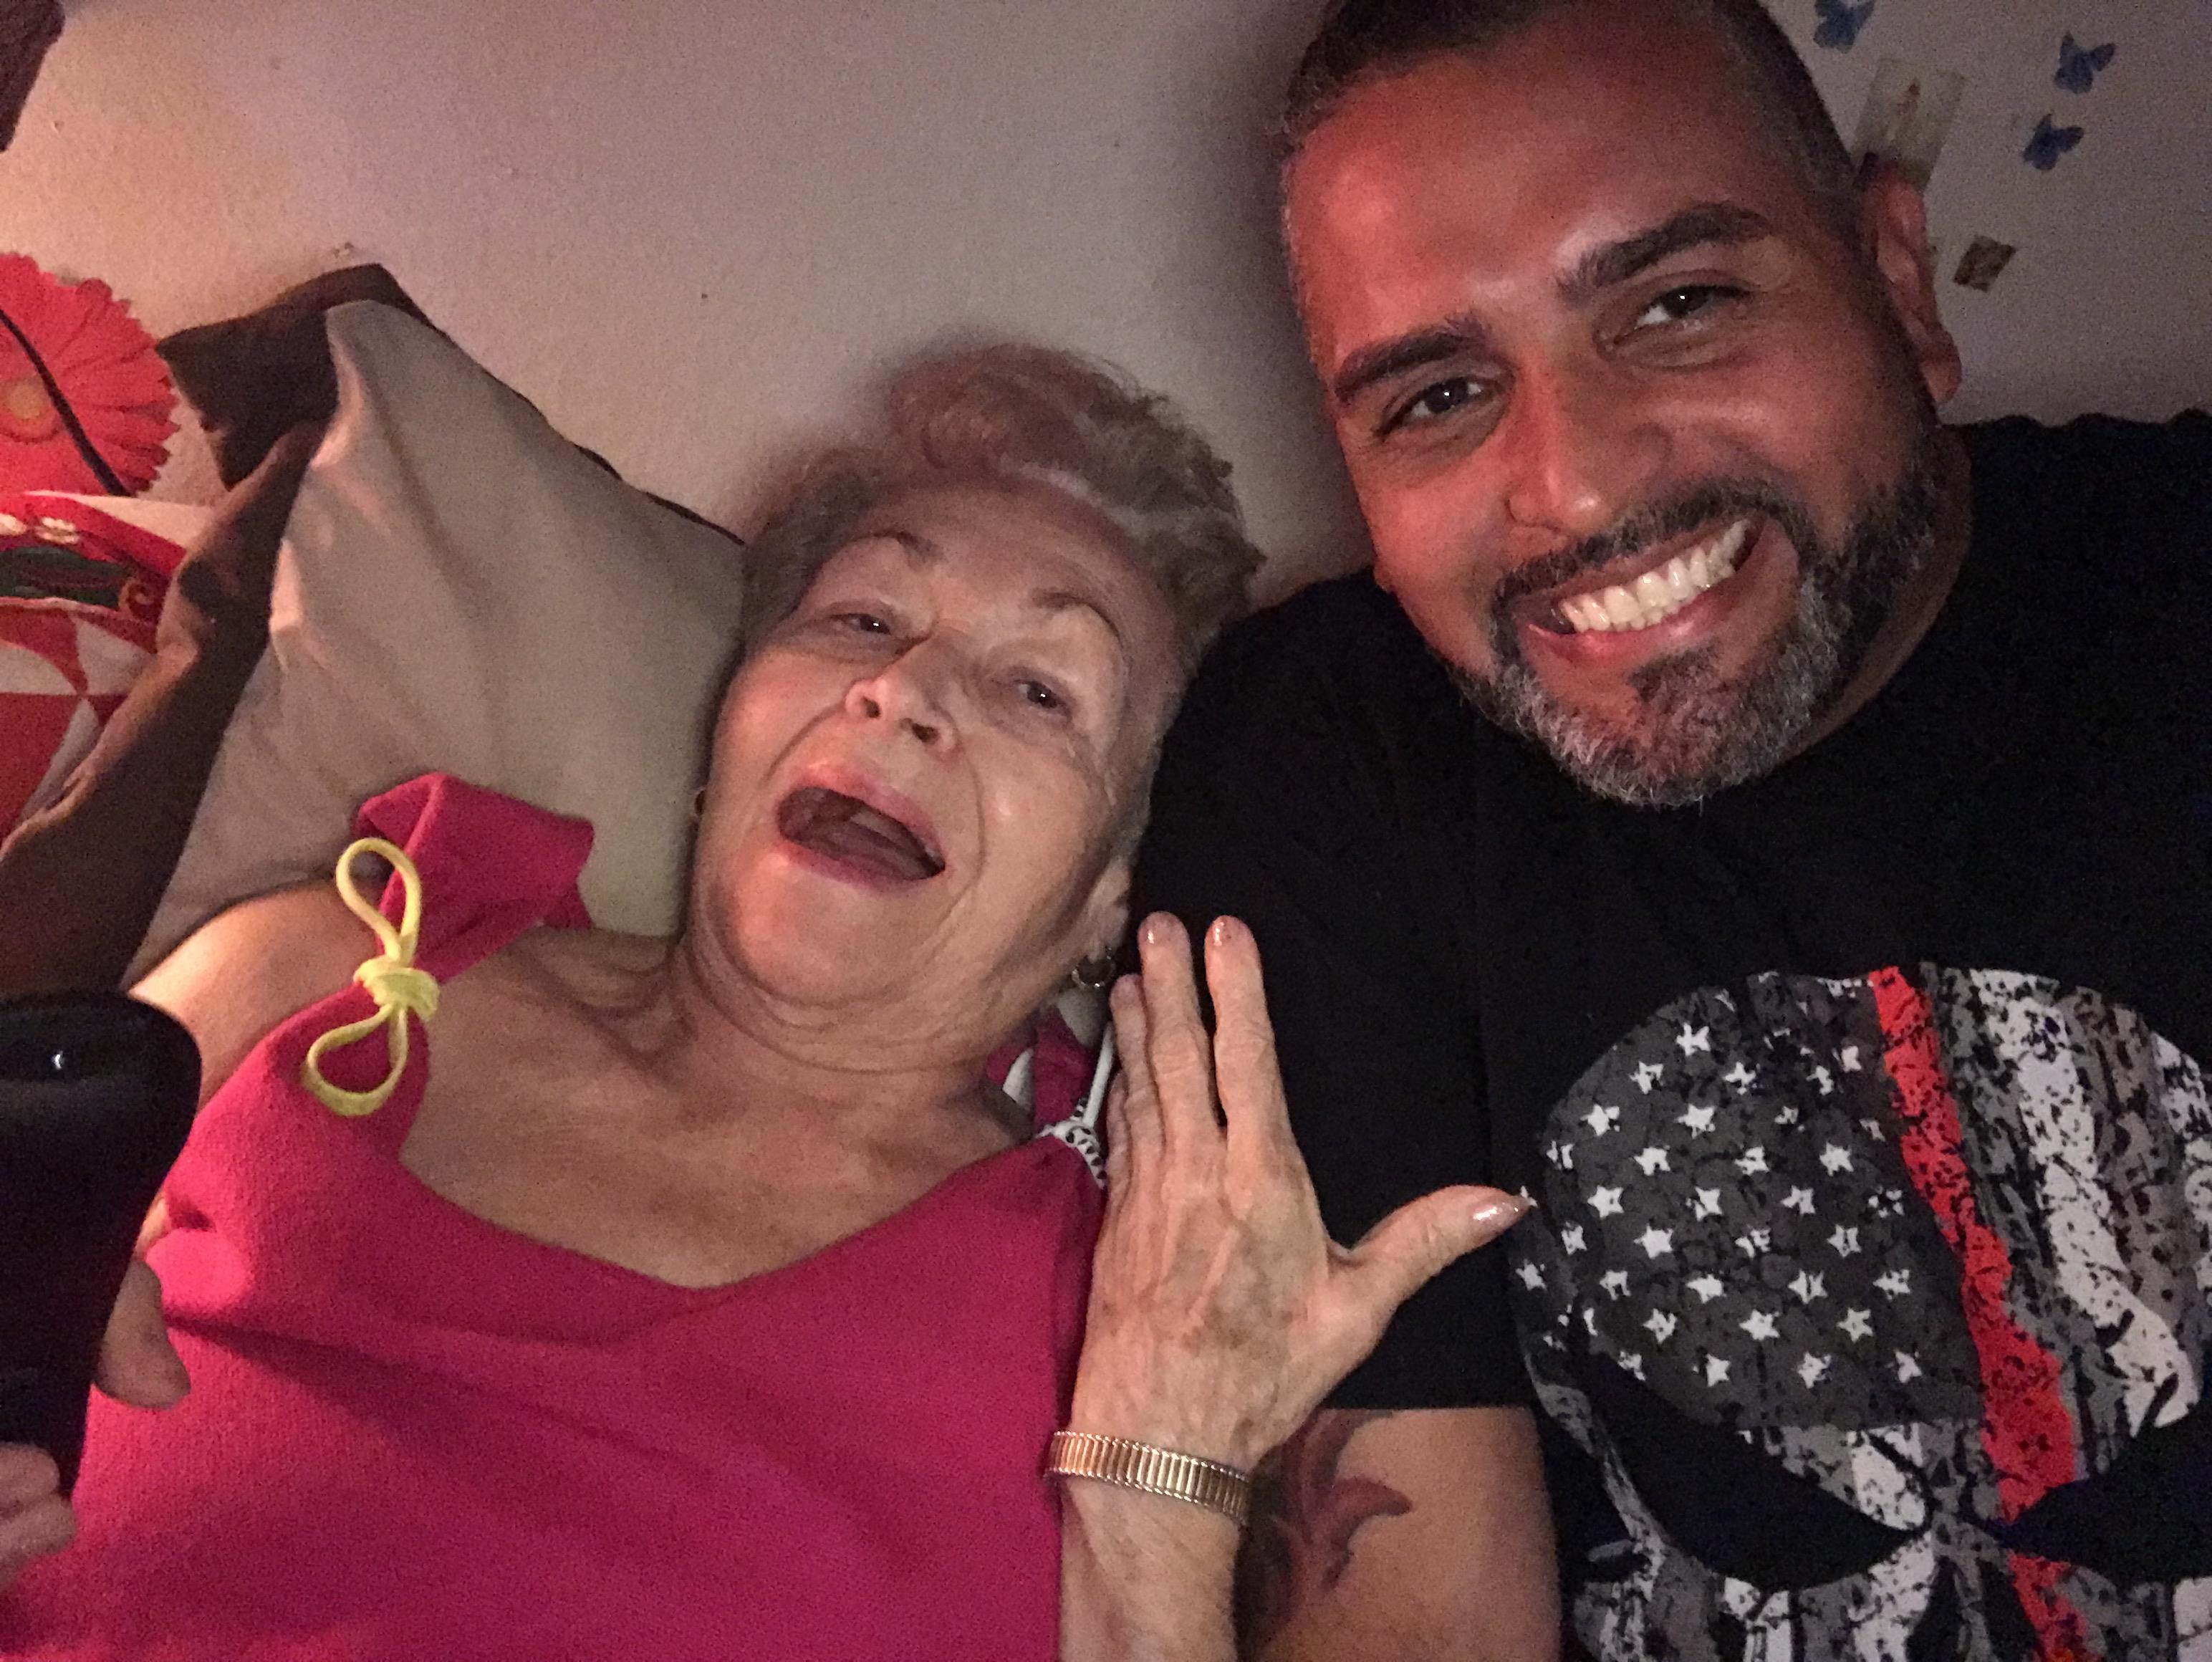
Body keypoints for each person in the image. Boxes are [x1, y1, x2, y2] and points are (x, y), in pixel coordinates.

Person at [0, 343, 1530, 1658]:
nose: (904, 693)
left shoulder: (1151, 1296)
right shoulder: (326, 972)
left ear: (1106, 896)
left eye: (1039, 689)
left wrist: (1159, 1486)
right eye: (861, 620)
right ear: (730, 723)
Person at [1133, 1, 2212, 1658]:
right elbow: (1412, 1601)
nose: (1570, 486)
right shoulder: (1325, 765)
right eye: (1435, 396)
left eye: (1675, 305)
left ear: (1894, 279)